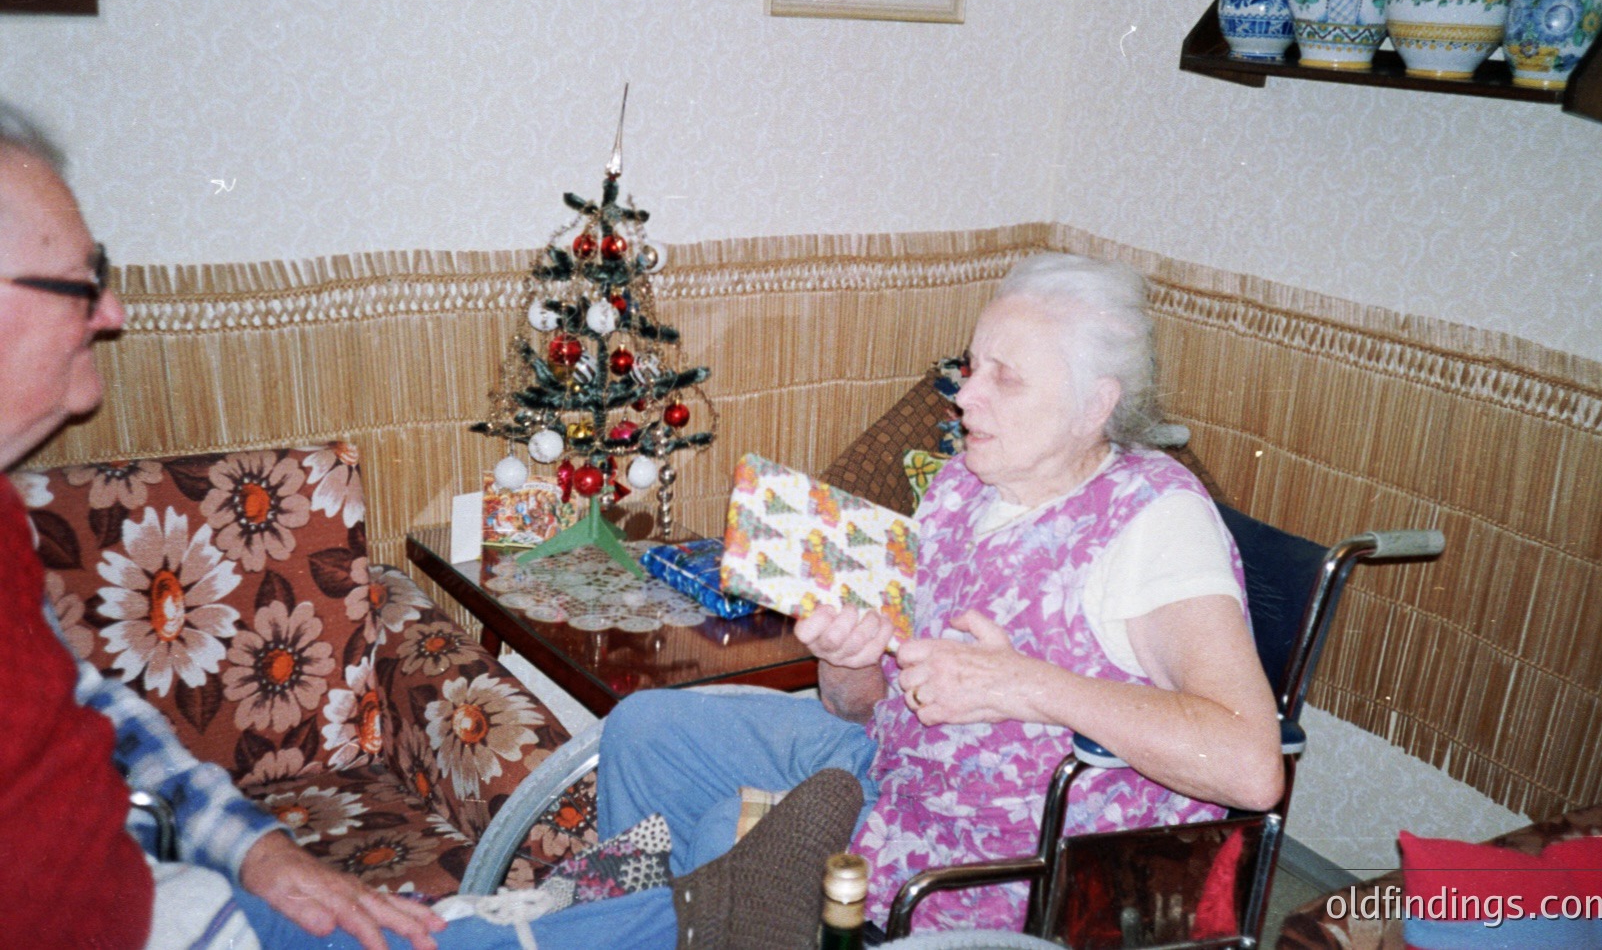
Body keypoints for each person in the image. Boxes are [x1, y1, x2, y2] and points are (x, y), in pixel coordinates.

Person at [0, 102, 860, 950]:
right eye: (81, 281)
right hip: (165, 920)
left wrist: (252, 845)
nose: (111, 313)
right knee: (664, 890)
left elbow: (86, 708)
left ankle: (691, 905)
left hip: (177, 898)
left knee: (544, 905)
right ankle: (707, 910)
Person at [571, 249, 1285, 940]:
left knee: (722, 831)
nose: (965, 394)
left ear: (1093, 403)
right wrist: (849, 657)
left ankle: (674, 923)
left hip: (1000, 853)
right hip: (895, 767)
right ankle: (643, 924)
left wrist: (1026, 686)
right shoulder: (962, 484)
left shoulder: (1153, 521)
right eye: (972, 367)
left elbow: (1250, 767)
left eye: (1005, 378)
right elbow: (861, 706)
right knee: (643, 732)